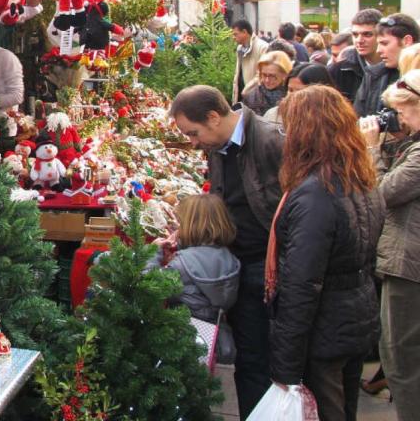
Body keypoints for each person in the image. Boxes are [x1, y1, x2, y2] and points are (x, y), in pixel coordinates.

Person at [169, 86, 284, 419]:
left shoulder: (270, 141)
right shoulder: (218, 145)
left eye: (193, 133)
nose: (192, 142)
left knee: (259, 358)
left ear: (213, 117)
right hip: (239, 259)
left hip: (265, 263)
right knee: (249, 357)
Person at [269, 86, 383, 421]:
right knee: (344, 409)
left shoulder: (316, 193)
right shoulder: (360, 178)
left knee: (328, 410)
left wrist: (285, 367)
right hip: (354, 319)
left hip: (326, 330)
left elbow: (302, 284)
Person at [359, 69, 420, 420]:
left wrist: (371, 149)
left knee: (401, 357)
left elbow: (379, 194)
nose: (399, 118)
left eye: (402, 110)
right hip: (408, 261)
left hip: (409, 267)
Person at [145, 193, 241, 323]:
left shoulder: (181, 264)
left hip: (183, 328)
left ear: (190, 225)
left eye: (180, 223)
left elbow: (149, 285)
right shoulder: (229, 258)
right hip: (215, 329)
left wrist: (152, 252)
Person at [263, 63, 336, 124]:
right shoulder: (274, 116)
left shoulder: (334, 120)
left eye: (299, 91)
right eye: (290, 90)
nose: (291, 95)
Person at [352, 9, 390, 117]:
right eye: (355, 35)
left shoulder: (395, 67)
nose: (359, 40)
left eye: (367, 34)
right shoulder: (340, 69)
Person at [242, 51, 293, 116]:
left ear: (285, 74)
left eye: (272, 76)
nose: (267, 80)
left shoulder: (293, 96)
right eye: (264, 75)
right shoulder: (252, 98)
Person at [232, 20, 268, 104]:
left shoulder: (263, 47)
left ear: (244, 32)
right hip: (241, 94)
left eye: (235, 34)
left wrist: (248, 89)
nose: (233, 37)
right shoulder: (240, 48)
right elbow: (238, 74)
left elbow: (262, 74)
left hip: (255, 96)